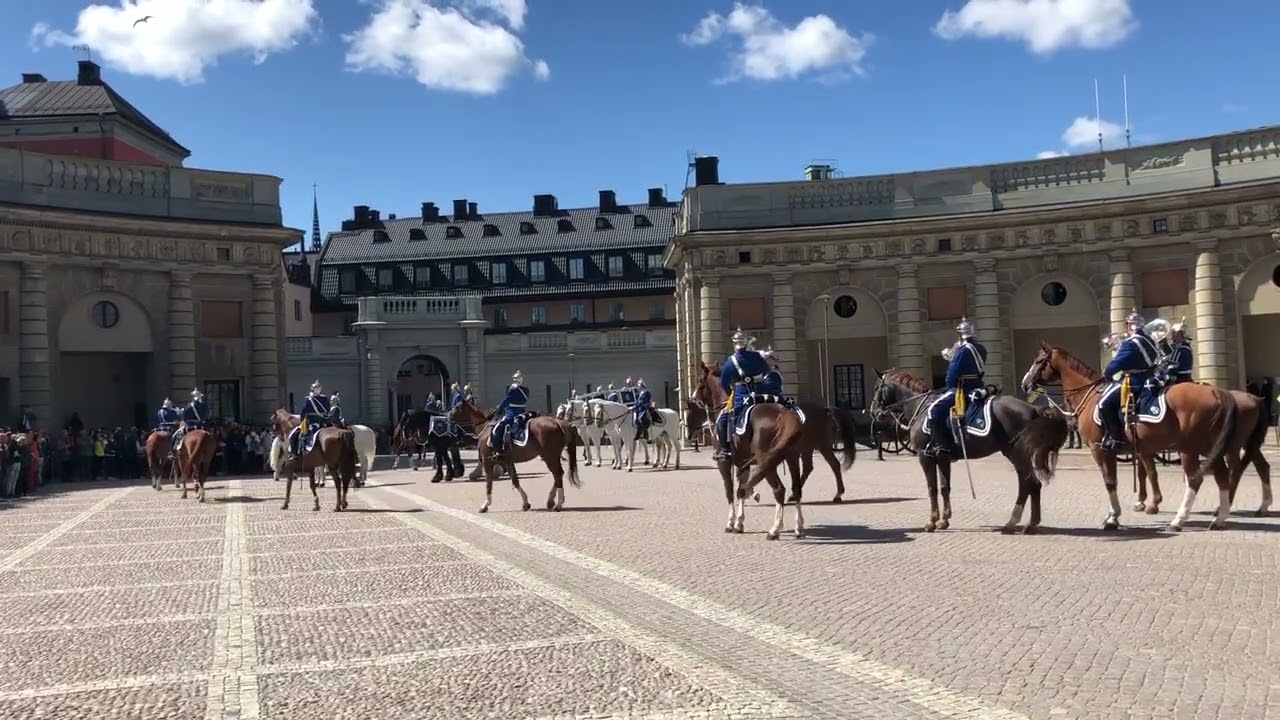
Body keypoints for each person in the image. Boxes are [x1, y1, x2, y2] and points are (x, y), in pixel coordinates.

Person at [925, 318, 988, 458]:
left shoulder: (963, 350)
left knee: (932, 411)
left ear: (960, 335)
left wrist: (949, 386)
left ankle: (941, 447)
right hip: (978, 386)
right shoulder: (981, 349)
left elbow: (952, 375)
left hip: (961, 389)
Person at [1098, 310, 1160, 451]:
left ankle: (1115, 438)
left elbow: (1117, 363)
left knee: (1103, 403)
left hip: (1134, 381)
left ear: (1130, 325)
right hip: (1149, 378)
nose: (1126, 328)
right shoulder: (1149, 340)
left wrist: (1107, 374)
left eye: (1127, 324)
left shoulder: (1130, 343)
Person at [714, 328, 769, 461]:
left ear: (734, 344)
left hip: (741, 396)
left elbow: (724, 383)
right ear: (746, 343)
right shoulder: (757, 357)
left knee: (722, 420)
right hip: (761, 393)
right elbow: (767, 371)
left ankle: (725, 450)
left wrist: (731, 395)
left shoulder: (730, 362)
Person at [490, 371, 530, 460]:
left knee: (498, 428)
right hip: (523, 411)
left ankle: (498, 451)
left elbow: (506, 400)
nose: (515, 380)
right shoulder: (526, 389)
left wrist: (498, 408)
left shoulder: (513, 389)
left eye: (516, 378)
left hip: (512, 412)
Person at [292, 380, 336, 457]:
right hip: (321, 421)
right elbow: (304, 412)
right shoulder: (317, 399)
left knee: (300, 435)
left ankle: (305, 449)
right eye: (316, 388)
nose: (318, 389)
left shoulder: (317, 399)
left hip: (316, 421)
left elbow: (304, 412)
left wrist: (302, 421)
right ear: (313, 389)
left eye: (319, 388)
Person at [172, 388, 211, 457]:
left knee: (175, 436)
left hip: (189, 426)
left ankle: (173, 452)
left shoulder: (188, 406)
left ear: (192, 397)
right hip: (202, 426)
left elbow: (185, 418)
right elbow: (207, 416)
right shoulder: (205, 406)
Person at [1165, 318, 1194, 385]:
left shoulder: (1179, 350)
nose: (1172, 336)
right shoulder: (1187, 348)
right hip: (1188, 378)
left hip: (1178, 380)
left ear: (1179, 334)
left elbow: (1172, 368)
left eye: (1174, 333)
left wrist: (1163, 375)